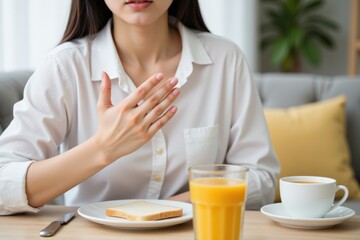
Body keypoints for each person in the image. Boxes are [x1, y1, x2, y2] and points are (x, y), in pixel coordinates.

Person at [0, 0, 280, 215]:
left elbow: (261, 180)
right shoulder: (65, 66)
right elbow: (3, 184)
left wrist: (159, 211)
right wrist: (102, 148)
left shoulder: (225, 60)